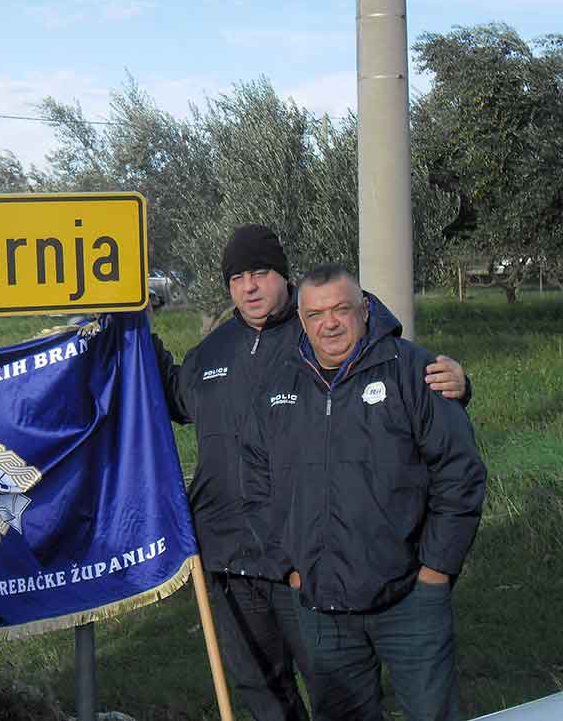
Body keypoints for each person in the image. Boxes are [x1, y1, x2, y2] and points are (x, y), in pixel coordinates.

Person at [153, 225, 468, 721]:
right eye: (237, 278)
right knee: (262, 688)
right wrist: (134, 335)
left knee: (334, 690)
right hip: (228, 554)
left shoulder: (314, 338)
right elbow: (175, 400)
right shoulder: (212, 352)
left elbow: (400, 395)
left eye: (261, 273)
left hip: (306, 564)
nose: (249, 287)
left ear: (285, 277)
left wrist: (459, 383)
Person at [241, 263, 486, 721]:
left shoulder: (414, 371)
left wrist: (436, 570)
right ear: (301, 320)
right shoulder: (278, 386)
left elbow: (461, 474)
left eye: (341, 309)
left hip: (410, 599)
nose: (329, 324)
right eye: (315, 315)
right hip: (321, 606)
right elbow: (256, 485)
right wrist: (290, 567)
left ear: (365, 309)